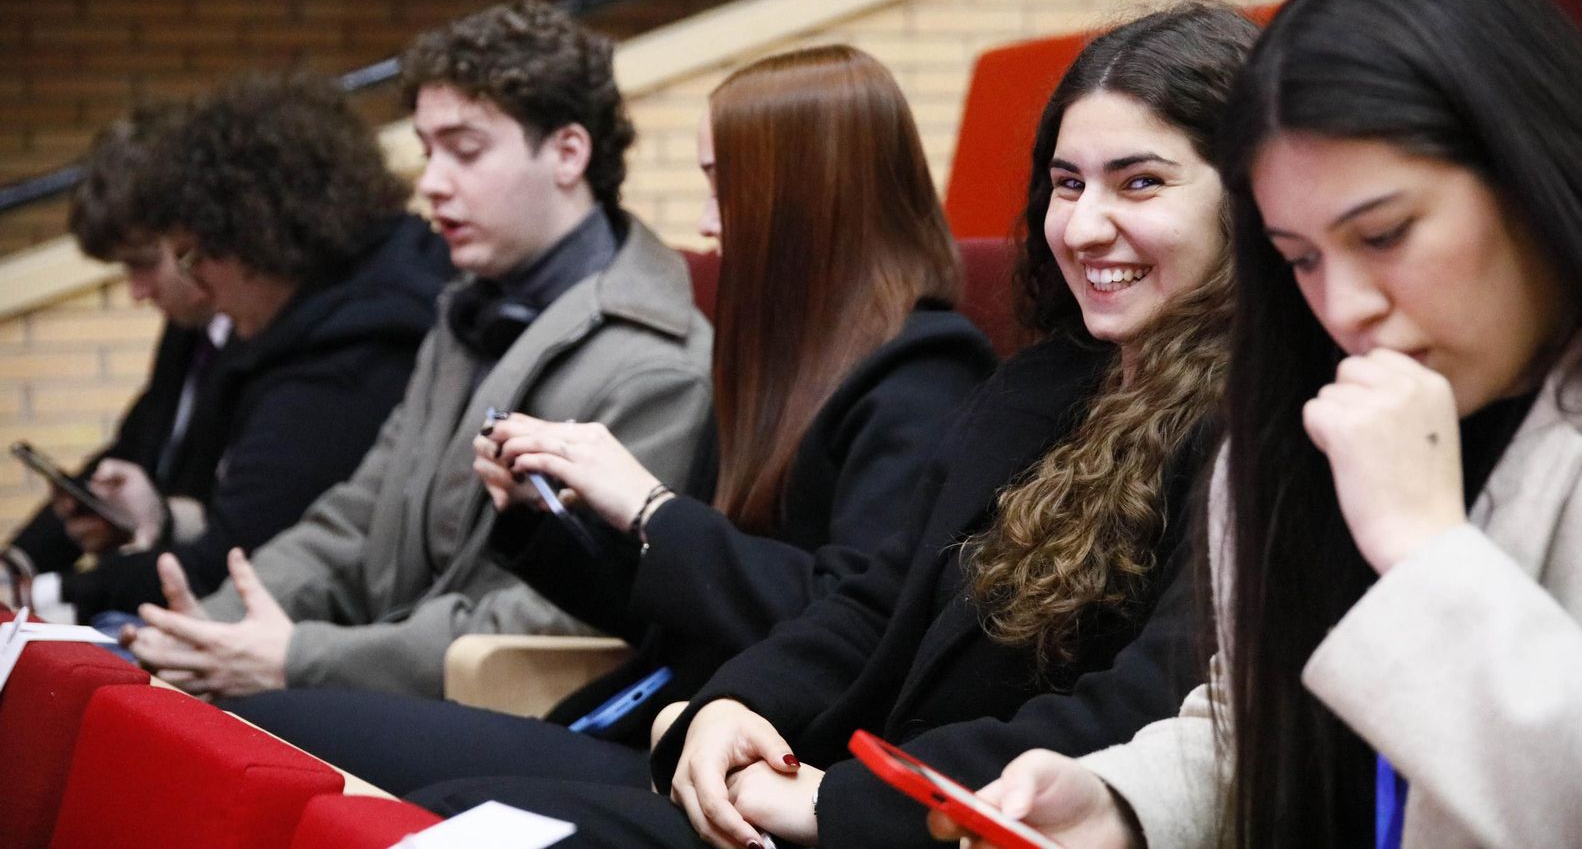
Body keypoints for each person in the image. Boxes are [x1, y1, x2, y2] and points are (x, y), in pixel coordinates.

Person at [409, 1, 1259, 849]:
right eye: (1067, 185)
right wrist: (736, 705)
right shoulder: (1042, 381)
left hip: (924, 817)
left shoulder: (1251, 424)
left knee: (452, 827)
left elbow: (1143, 710)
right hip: (800, 777)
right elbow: (871, 603)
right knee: (437, 821)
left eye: (1139, 182)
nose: (1080, 225)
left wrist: (837, 798)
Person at [937, 0, 1582, 849]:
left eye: (1385, 234)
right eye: (1299, 259)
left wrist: (1425, 552)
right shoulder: (1304, 413)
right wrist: (1120, 802)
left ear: (1531, 174)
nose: (1345, 307)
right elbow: (1257, 724)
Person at [208, 43, 997, 794]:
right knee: (253, 730)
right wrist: (541, 521)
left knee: (313, 744)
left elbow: (849, 619)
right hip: (663, 716)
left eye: (725, 186)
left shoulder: (922, 374)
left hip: (755, 755)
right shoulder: (789, 365)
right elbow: (682, 608)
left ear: (801, 198)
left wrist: (649, 507)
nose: (709, 223)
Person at [126, 0, 714, 700]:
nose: (431, 181)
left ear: (567, 153)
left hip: (507, 715)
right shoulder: (467, 308)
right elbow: (356, 518)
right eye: (428, 151)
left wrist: (300, 658)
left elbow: (554, 628)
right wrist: (214, 629)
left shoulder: (656, 363)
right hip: (396, 678)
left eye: (464, 150)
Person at [32, 74, 454, 622]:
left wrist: (55, 597)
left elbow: (235, 562)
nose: (197, 286)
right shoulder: (332, 314)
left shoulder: (354, 348)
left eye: (189, 258)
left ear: (254, 237)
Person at [1, 104, 228, 612]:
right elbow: (133, 448)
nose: (137, 293)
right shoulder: (186, 332)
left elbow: (234, 527)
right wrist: (19, 563)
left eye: (143, 264)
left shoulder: (263, 340)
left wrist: (48, 590)